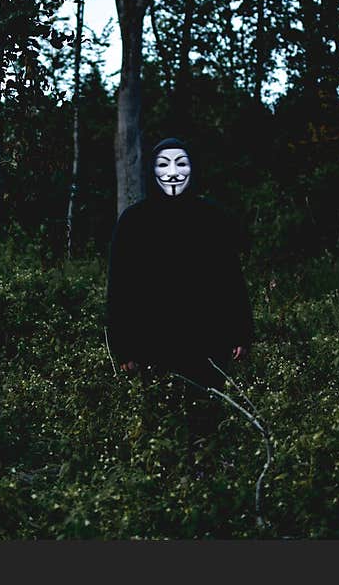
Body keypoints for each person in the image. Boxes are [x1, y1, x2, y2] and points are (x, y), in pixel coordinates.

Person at [106, 137, 254, 463]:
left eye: (181, 163)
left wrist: (241, 331)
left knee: (207, 419)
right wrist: (124, 345)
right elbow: (120, 288)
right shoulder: (134, 221)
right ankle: (164, 484)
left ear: (193, 168)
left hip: (208, 340)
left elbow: (230, 277)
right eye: (163, 164)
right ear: (152, 170)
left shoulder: (212, 217)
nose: (173, 173)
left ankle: (205, 481)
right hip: (154, 343)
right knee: (160, 420)